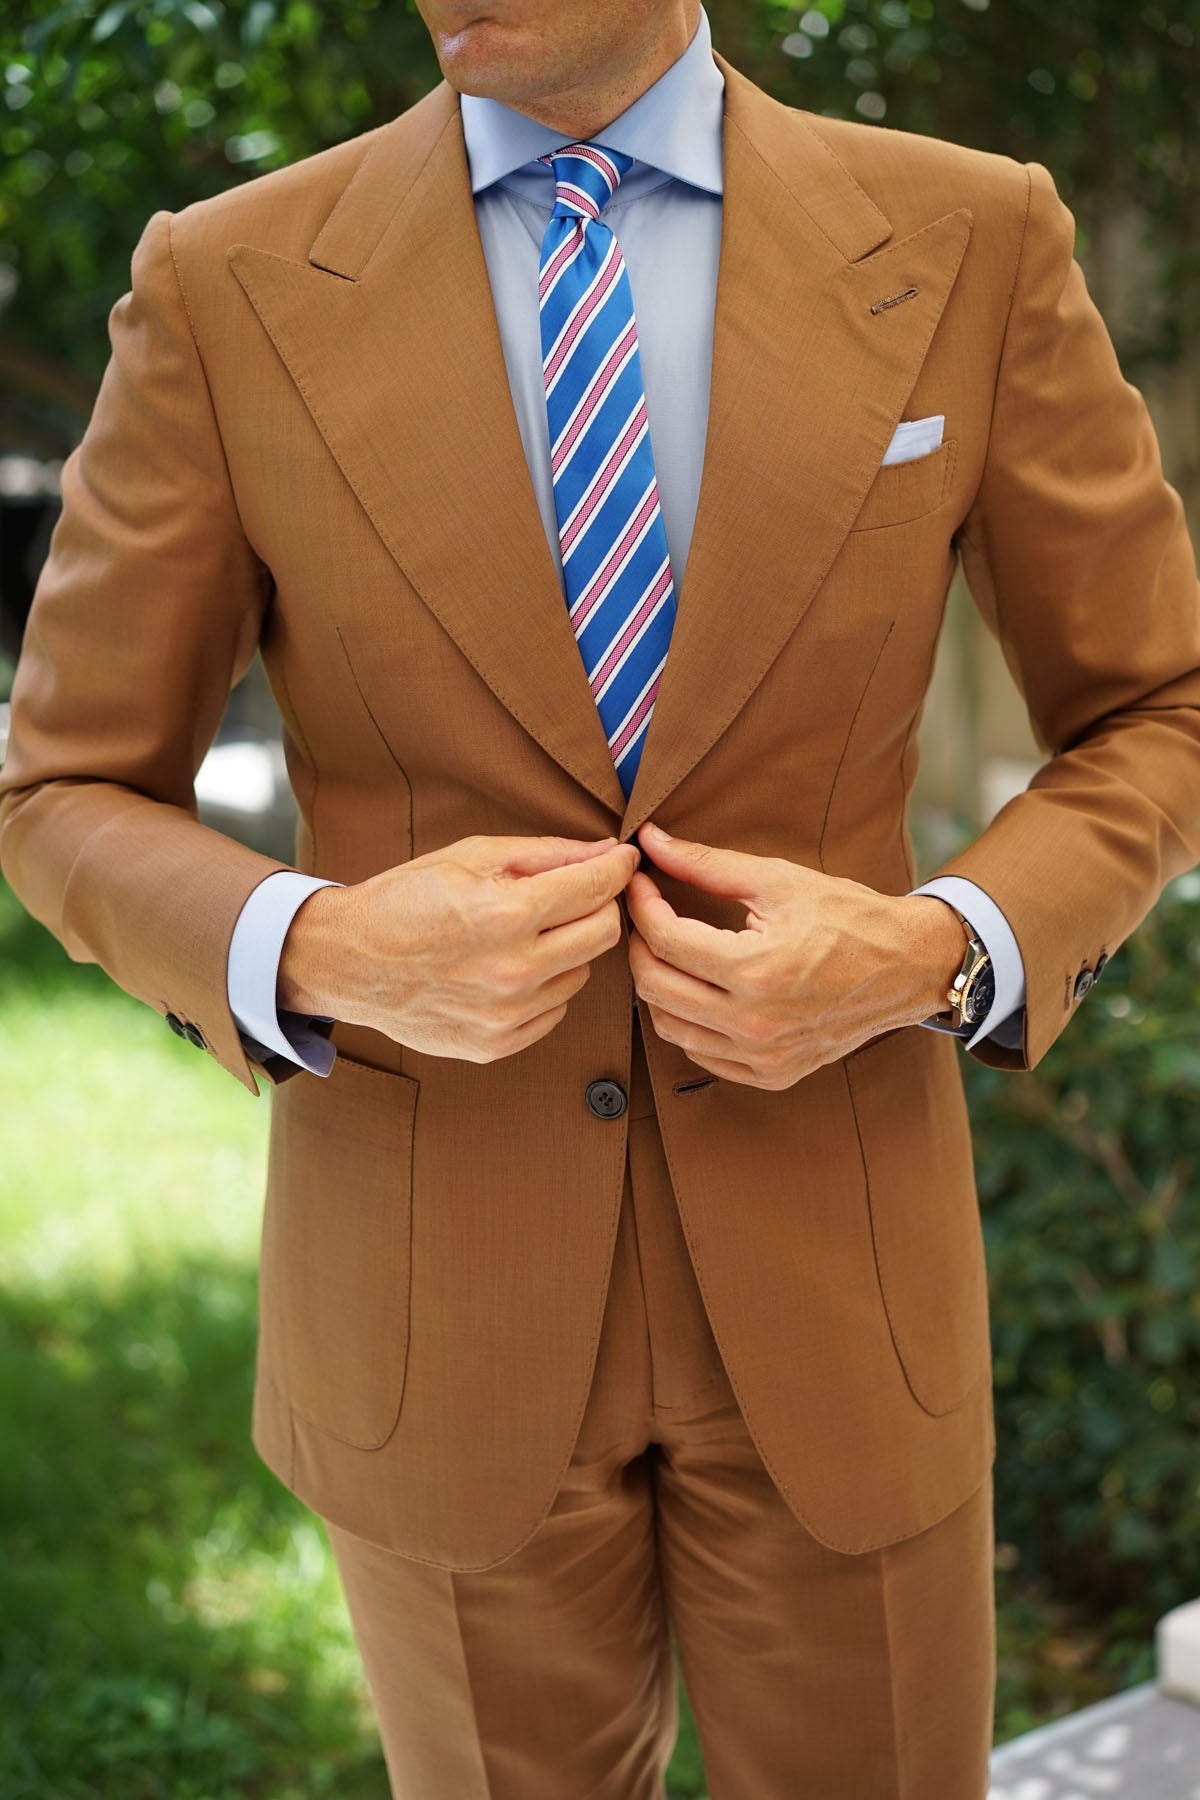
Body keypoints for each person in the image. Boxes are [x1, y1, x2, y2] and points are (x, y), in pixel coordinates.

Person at [3, 0, 1199, 1792]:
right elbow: (64, 783)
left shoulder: (971, 235)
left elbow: (1154, 707)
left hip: (841, 1274)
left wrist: (935, 950)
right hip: (436, 1299)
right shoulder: (226, 283)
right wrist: (311, 947)